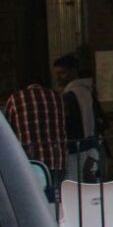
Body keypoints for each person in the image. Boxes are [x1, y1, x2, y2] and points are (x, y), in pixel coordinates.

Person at [5, 73, 66, 198]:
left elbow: (8, 130)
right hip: (56, 159)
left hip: (30, 160)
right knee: (55, 201)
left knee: (33, 198)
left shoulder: (15, 99)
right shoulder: (57, 97)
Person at [53, 54, 105, 182]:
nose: (58, 77)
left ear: (73, 72)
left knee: (75, 187)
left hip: (77, 148)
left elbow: (67, 121)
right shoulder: (87, 90)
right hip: (91, 144)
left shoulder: (70, 94)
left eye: (62, 73)